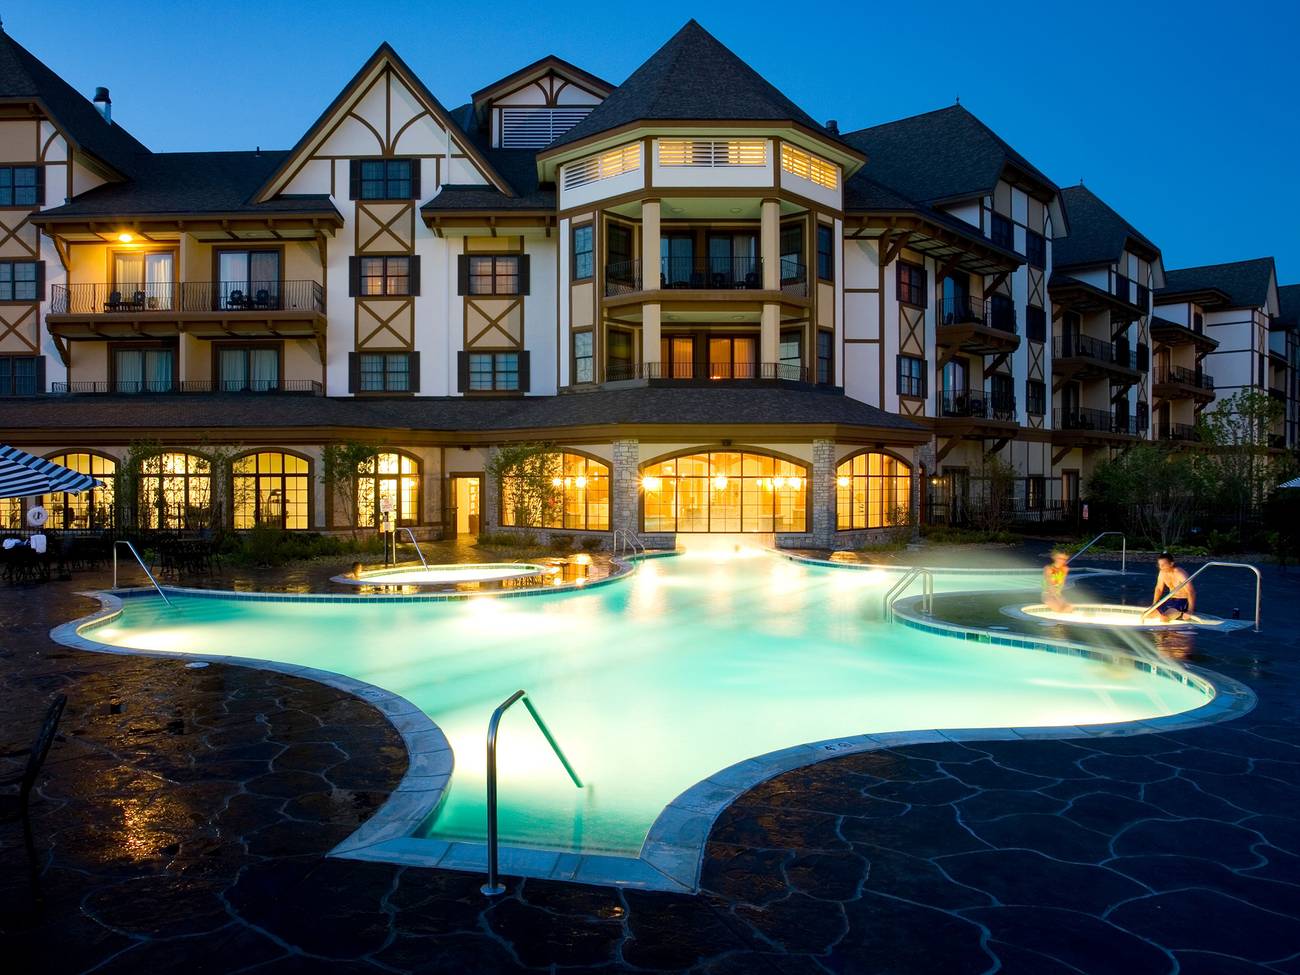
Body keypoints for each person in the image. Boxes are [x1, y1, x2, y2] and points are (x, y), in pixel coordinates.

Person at [1144, 552, 1196, 621]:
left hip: (1182, 601)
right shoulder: (1162, 572)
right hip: (1170, 600)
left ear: (1171, 564)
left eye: (1163, 564)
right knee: (1145, 615)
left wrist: (1190, 610)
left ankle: (1180, 614)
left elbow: (1191, 591)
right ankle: (1173, 613)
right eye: (1159, 565)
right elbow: (1159, 588)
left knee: (1164, 618)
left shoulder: (1179, 573)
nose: (1161, 567)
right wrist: (1154, 604)